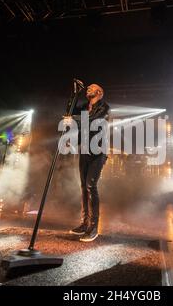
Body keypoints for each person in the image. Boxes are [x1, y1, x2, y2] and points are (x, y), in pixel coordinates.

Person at [66, 84, 110, 242]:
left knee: (91, 185)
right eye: (87, 88)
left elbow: (94, 120)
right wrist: (75, 94)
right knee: (84, 186)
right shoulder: (84, 106)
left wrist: (74, 119)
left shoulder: (104, 108)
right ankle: (85, 224)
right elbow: (69, 111)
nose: (88, 89)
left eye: (91, 87)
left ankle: (93, 228)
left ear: (100, 92)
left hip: (98, 152)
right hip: (85, 150)